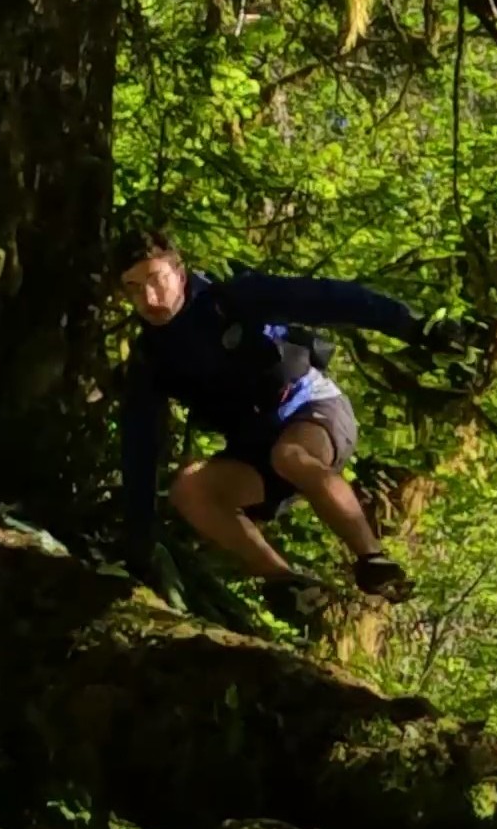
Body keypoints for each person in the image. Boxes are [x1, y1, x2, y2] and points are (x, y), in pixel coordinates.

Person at [111, 230, 423, 606]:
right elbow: (139, 446)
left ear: (178, 270)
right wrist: (137, 535)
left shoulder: (232, 298)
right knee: (189, 491)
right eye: (134, 289)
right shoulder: (150, 359)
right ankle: (288, 584)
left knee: (291, 455)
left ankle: (373, 560)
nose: (149, 298)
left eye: (156, 279)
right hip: (255, 449)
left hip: (313, 409)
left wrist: (413, 326)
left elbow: (329, 299)